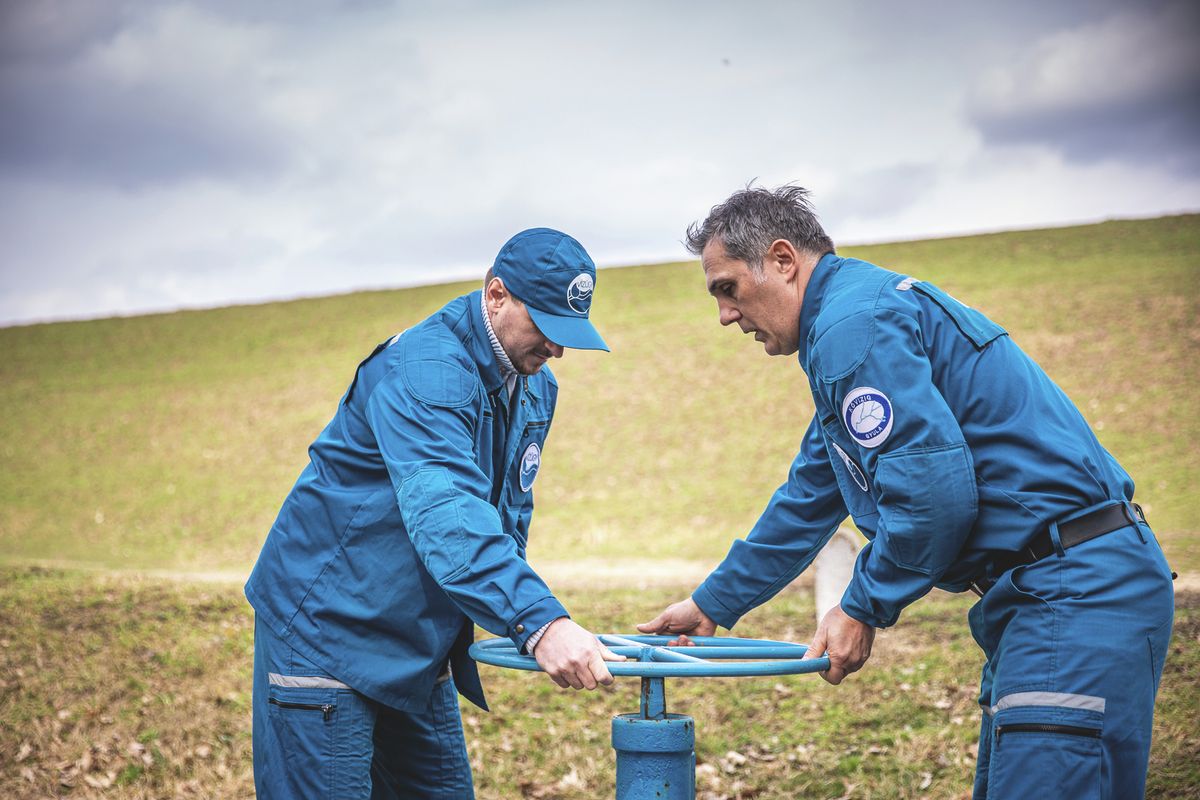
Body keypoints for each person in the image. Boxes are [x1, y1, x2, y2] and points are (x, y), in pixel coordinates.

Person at [638, 186, 1175, 798]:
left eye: (727, 288)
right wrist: (713, 603)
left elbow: (931, 498)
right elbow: (811, 493)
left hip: (1073, 596)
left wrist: (863, 605)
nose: (725, 316)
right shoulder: (849, 322)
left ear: (783, 261)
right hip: (1053, 595)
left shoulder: (851, 326)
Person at [245, 228, 624, 799]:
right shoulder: (427, 369)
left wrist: (506, 609)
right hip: (328, 630)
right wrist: (539, 621)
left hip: (415, 647)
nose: (557, 349)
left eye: (569, 334)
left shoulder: (534, 386)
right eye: (546, 325)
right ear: (496, 294)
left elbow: (505, 514)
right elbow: (446, 514)